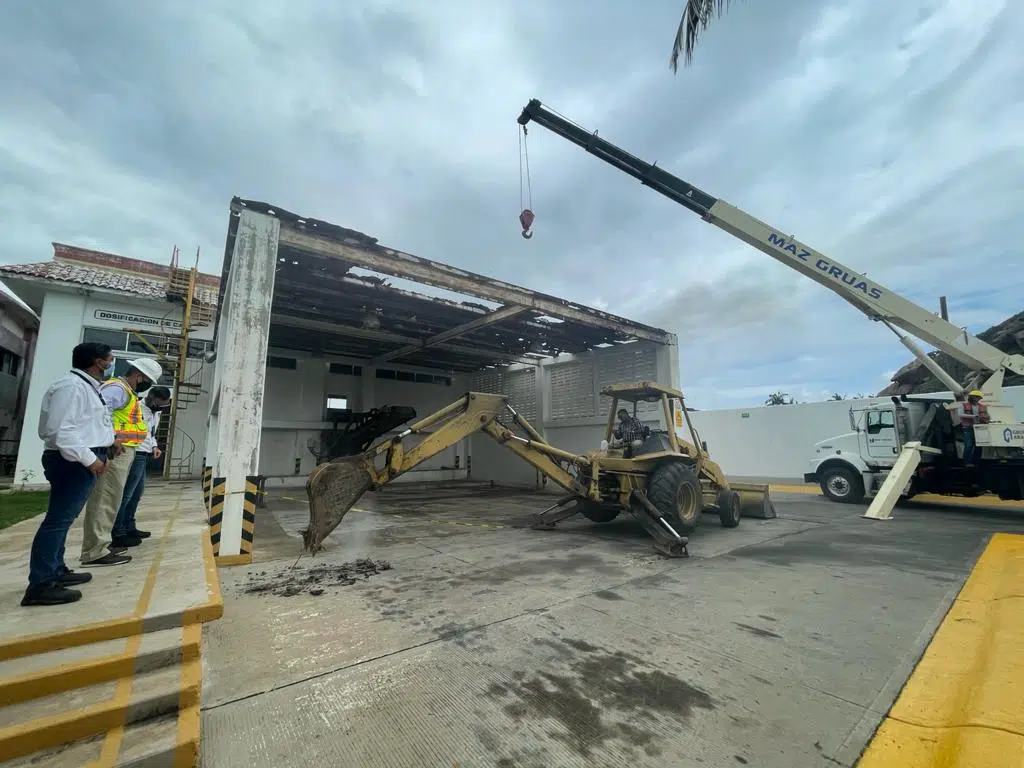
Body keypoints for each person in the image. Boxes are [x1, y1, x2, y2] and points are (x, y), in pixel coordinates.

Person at [22, 342, 116, 607]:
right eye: (110, 359)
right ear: (98, 362)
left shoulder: (86, 387)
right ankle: (40, 585)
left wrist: (109, 442)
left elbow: (87, 425)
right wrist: (92, 461)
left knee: (63, 519)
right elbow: (62, 432)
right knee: (57, 521)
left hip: (79, 459)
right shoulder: (71, 387)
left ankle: (56, 570)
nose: (111, 364)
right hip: (72, 461)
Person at [79, 357, 163, 568]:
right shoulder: (117, 389)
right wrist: (110, 440)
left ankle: (101, 546)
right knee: (105, 500)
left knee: (112, 500)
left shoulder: (126, 391)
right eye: (148, 381)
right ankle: (95, 552)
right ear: (138, 375)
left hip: (123, 450)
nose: (147, 385)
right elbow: (98, 414)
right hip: (115, 452)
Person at [111, 386, 171, 548]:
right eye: (160, 403)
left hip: (144, 454)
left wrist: (154, 446)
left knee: (136, 494)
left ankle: (130, 527)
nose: (161, 407)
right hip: (134, 452)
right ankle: (118, 532)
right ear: (151, 398)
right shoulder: (136, 408)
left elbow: (150, 433)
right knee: (126, 495)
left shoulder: (155, 412)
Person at [945, 389, 990, 466]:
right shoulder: (963, 405)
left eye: (978, 397)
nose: (977, 399)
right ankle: (967, 462)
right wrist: (973, 416)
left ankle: (976, 462)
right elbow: (960, 414)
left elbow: (988, 416)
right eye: (975, 397)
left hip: (979, 428)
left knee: (978, 446)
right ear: (971, 397)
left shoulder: (983, 406)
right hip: (967, 427)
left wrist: (987, 419)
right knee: (968, 445)